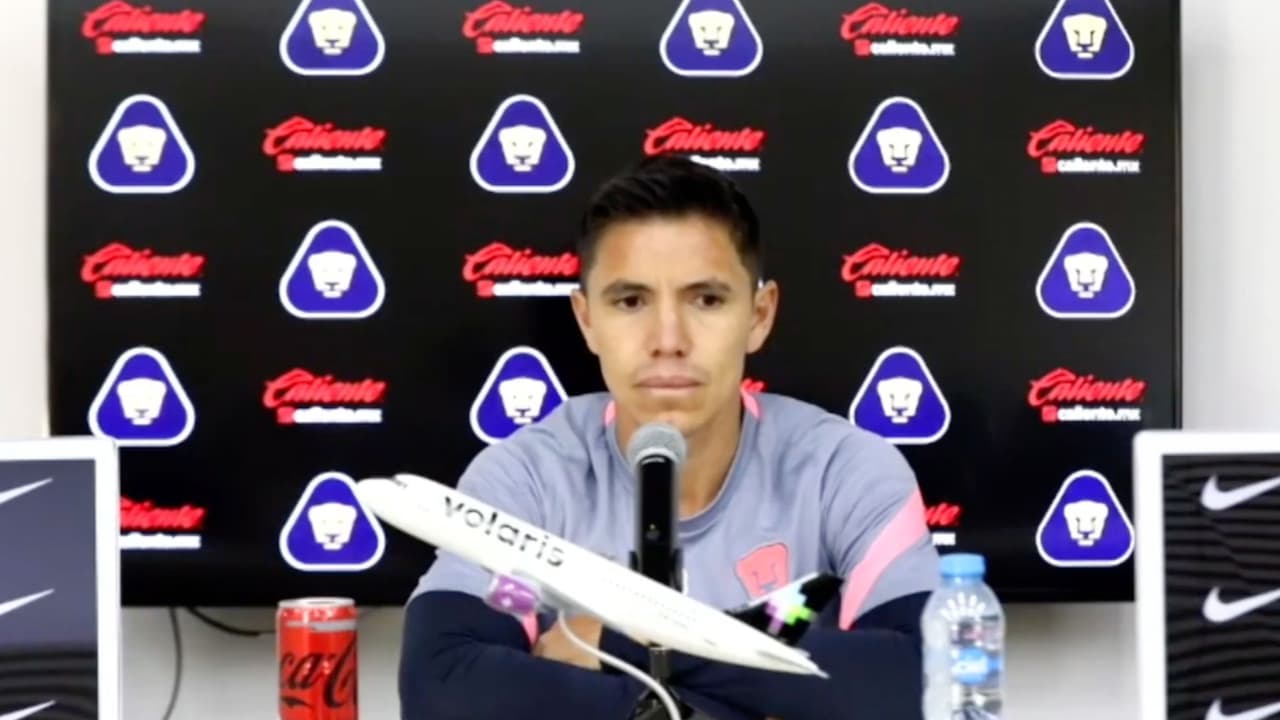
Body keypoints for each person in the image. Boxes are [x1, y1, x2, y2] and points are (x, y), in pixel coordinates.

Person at [399, 155, 941, 720]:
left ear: (759, 315)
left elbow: (930, 681)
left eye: (706, 299)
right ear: (587, 320)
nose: (668, 339)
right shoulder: (525, 478)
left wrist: (622, 644)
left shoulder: (845, 470)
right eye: (630, 301)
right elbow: (441, 691)